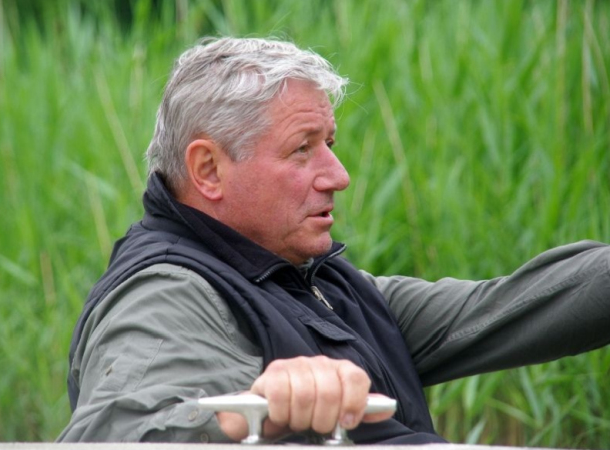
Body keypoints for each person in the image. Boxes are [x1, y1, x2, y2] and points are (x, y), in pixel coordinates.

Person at [58, 37, 610, 444]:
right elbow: (112, 435)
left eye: (330, 144)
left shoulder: (326, 289)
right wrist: (256, 410)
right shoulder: (167, 293)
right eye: (303, 148)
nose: (338, 176)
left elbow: (517, 306)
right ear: (208, 170)